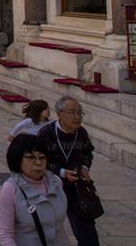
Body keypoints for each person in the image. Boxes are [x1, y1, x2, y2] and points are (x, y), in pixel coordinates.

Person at [38, 96, 99, 246]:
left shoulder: (82, 133)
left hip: (77, 188)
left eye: (80, 113)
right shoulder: (46, 134)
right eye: (72, 112)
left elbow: (88, 152)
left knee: (87, 234)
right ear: (59, 113)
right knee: (45, 230)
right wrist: (61, 172)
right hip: (50, 186)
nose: (77, 117)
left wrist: (84, 167)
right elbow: (39, 160)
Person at [0, 134, 70, 246]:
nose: (38, 163)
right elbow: (6, 234)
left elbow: (59, 228)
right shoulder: (10, 189)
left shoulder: (56, 182)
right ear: (18, 159)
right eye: (31, 157)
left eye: (42, 158)